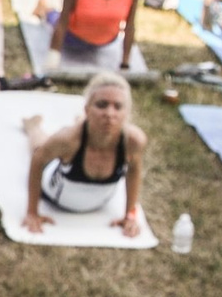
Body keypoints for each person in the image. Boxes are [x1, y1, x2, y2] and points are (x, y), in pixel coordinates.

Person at [21, 72, 147, 236]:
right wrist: (32, 212)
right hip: (55, 193)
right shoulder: (67, 139)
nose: (109, 114)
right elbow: (38, 160)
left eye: (118, 106)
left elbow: (134, 170)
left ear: (127, 113)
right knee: (40, 146)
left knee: (89, 131)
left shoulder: (134, 141)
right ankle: (33, 126)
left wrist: (130, 215)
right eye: (101, 105)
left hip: (100, 201)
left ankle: (84, 123)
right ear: (87, 109)